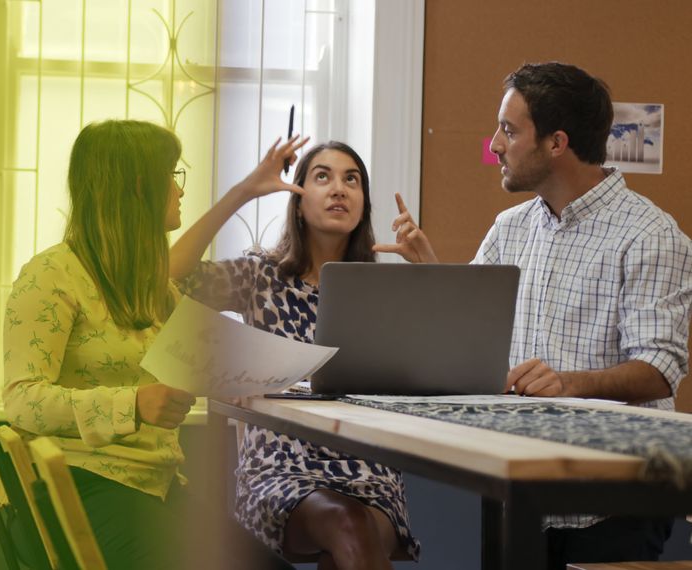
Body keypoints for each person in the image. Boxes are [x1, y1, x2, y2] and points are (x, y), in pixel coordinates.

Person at [379, 62, 692, 569]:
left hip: (613, 505)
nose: (495, 145)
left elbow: (659, 370)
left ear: (556, 143)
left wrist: (567, 384)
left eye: (508, 129)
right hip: (517, 490)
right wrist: (430, 269)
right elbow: (472, 331)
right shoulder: (510, 228)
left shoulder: (651, 235)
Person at [172, 139, 421, 570]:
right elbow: (171, 278)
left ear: (364, 204)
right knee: (348, 525)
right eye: (322, 176)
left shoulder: (382, 291)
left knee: (352, 526)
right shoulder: (259, 277)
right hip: (280, 470)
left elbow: (444, 368)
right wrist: (245, 190)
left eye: (352, 180)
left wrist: (427, 269)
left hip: (368, 475)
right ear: (297, 200)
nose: (339, 188)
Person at [2, 120, 198, 569]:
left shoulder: (156, 289)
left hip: (159, 487)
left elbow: (211, 364)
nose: (180, 191)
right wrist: (132, 404)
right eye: (172, 175)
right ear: (138, 186)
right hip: (85, 487)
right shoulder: (50, 275)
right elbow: (21, 402)